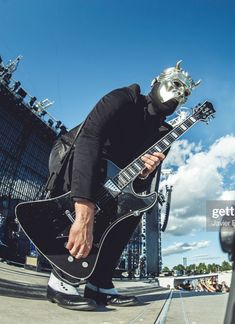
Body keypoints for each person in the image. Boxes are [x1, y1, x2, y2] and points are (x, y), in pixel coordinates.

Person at [47, 60, 200, 310]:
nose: (179, 94)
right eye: (175, 85)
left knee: (133, 206)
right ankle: (62, 279)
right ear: (156, 82)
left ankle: (99, 283)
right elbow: (89, 140)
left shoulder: (164, 133)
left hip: (112, 175)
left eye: (185, 94)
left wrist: (143, 174)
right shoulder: (123, 98)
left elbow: (140, 182)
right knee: (93, 178)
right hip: (75, 154)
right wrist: (84, 213)